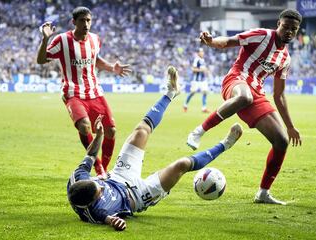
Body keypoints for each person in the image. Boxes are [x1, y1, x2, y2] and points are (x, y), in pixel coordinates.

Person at [67, 66, 243, 231]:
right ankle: (225, 144)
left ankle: (170, 93)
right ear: (94, 201)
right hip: (137, 196)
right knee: (181, 165)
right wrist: (117, 222)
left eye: (98, 184)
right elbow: (111, 220)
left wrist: (98, 135)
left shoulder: (77, 177)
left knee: (140, 131)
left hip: (119, 175)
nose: (101, 187)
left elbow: (90, 154)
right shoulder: (96, 212)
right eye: (101, 192)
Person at [186, 9, 303, 205]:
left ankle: (263, 193)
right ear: (278, 24)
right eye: (286, 27)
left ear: (297, 31)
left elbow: (279, 95)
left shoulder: (285, 59)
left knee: (282, 141)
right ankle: (199, 131)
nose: (289, 31)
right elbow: (229, 41)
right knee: (244, 96)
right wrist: (211, 42)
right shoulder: (262, 35)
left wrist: (290, 126)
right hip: (236, 80)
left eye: (294, 29)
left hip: (257, 94)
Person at [37, 7, 132, 177]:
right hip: (72, 92)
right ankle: (98, 167)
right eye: (82, 20)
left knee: (111, 131)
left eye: (88, 20)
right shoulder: (62, 40)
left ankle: (103, 171)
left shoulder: (95, 39)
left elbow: (95, 59)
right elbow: (41, 59)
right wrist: (45, 39)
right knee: (84, 126)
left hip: (95, 92)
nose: (86, 24)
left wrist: (111, 67)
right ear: (74, 22)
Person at [183, 48, 211, 113]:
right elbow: (193, 69)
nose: (202, 53)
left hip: (202, 80)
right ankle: (185, 105)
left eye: (203, 52)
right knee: (193, 92)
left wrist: (206, 71)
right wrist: (202, 70)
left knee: (205, 92)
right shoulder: (196, 60)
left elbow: (204, 69)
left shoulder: (203, 60)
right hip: (196, 80)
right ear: (198, 53)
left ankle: (204, 108)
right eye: (201, 52)